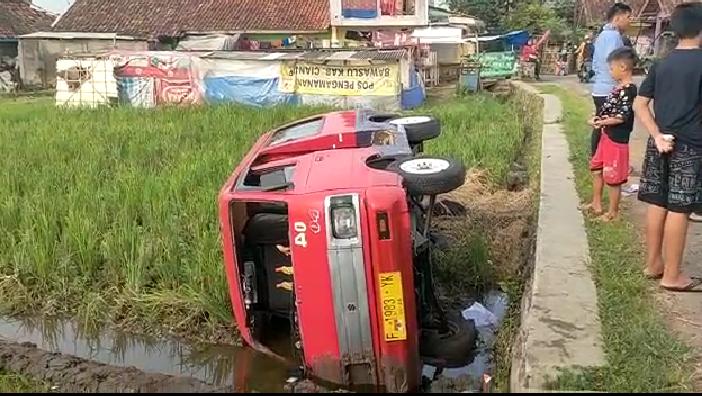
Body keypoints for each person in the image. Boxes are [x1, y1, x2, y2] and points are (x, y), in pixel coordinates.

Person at [633, 2, 702, 292]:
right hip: (690, 145)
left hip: (659, 143)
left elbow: (639, 104)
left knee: (658, 202)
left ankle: (654, 263)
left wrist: (657, 134)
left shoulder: (662, 63)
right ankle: (672, 275)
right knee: (680, 208)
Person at [583, 47, 637, 222]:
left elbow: (621, 117)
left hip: (617, 139)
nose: (610, 71)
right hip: (606, 135)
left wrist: (601, 122)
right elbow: (608, 111)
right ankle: (596, 204)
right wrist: (598, 119)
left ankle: (613, 213)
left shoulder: (629, 90)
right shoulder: (617, 88)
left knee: (614, 177)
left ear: (623, 67)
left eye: (612, 68)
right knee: (597, 168)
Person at [591, 3, 632, 157]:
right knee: (613, 128)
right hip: (609, 90)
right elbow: (613, 62)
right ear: (618, 17)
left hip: (599, 89)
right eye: (628, 17)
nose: (629, 21)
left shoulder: (601, 36)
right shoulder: (614, 37)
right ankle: (606, 160)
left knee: (600, 123)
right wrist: (623, 83)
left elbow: (596, 64)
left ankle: (596, 158)